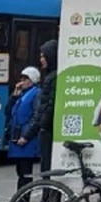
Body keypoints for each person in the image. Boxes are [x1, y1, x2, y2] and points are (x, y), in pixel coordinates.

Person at [5, 66, 42, 202]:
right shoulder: (21, 95)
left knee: (26, 173)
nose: (22, 81)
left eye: (25, 78)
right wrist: (14, 96)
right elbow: (7, 111)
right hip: (17, 138)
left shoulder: (36, 94)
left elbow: (36, 116)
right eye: (21, 78)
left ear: (32, 80)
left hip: (27, 140)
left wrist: (26, 136)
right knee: (20, 172)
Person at [34, 40, 58, 175]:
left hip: (48, 129)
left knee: (47, 165)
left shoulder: (53, 77)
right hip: (46, 128)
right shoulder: (49, 76)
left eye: (44, 56)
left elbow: (50, 103)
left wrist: (42, 124)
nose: (41, 59)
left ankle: (48, 195)